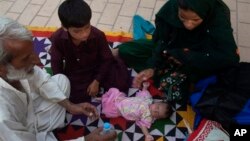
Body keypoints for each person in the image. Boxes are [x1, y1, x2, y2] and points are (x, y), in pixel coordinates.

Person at [0, 17, 117, 141]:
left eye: (32, 51)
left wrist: (70, 106)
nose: (38, 61)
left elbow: (42, 80)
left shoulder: (15, 70)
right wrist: (87, 140)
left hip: (30, 116)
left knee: (61, 80)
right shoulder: (2, 117)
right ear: (1, 68)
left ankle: (43, 132)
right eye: (25, 58)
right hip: (18, 135)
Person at [116, 0, 240, 103]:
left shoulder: (218, 16)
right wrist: (152, 67)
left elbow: (229, 57)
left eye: (195, 20)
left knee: (178, 92)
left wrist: (186, 56)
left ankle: (173, 75)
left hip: (197, 59)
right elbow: (161, 41)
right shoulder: (170, 9)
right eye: (182, 18)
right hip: (171, 50)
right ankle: (162, 71)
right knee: (127, 50)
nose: (188, 25)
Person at [49, 0, 130, 104]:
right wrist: (60, 83)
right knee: (73, 97)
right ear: (65, 27)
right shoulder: (58, 38)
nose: (84, 34)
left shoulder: (98, 35)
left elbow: (106, 59)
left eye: (87, 27)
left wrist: (97, 80)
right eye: (77, 31)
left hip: (96, 67)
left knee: (121, 83)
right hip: (75, 71)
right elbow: (56, 65)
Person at [98, 82, 173, 141]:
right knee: (114, 92)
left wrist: (147, 135)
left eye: (157, 113)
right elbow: (144, 93)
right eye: (157, 107)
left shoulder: (147, 117)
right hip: (122, 99)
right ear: (157, 102)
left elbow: (143, 126)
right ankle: (102, 98)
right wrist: (145, 87)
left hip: (119, 109)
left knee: (108, 110)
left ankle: (103, 100)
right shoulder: (149, 100)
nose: (155, 110)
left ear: (157, 118)